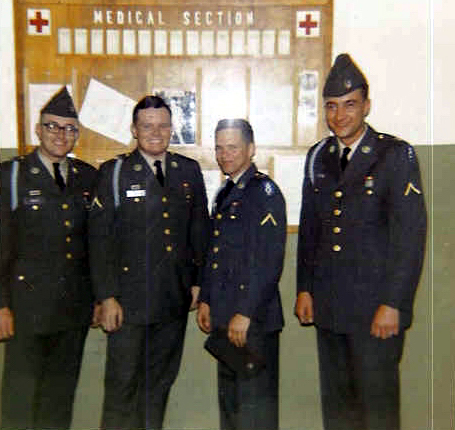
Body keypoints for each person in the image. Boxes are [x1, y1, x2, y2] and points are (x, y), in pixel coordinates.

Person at [295, 53, 427, 430]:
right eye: (332, 106)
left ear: (366, 106)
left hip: (375, 309)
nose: (339, 115)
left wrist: (393, 303)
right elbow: (311, 230)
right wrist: (305, 288)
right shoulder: (318, 156)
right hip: (330, 307)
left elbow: (410, 236)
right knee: (338, 411)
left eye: (350, 105)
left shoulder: (394, 155)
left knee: (377, 410)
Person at [89, 95, 209, 429]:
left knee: (158, 388)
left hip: (172, 300)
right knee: (122, 388)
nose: (156, 133)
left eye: (162, 126)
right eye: (147, 126)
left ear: (172, 129)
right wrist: (107, 297)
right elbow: (99, 240)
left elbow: (199, 229)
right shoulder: (114, 172)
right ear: (134, 129)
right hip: (128, 304)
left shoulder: (188, 171)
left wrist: (198, 282)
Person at [0, 86, 99, 429]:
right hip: (26, 308)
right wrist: (1, 305)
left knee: (59, 399)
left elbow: (95, 244)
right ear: (38, 130)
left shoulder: (88, 177)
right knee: (20, 398)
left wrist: (98, 297)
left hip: (72, 308)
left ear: (77, 134)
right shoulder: (11, 175)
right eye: (52, 126)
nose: (61, 134)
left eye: (70, 128)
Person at [197, 119, 287, 430]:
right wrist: (207, 299)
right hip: (226, 318)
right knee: (232, 410)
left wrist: (245, 313)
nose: (225, 155)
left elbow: (268, 260)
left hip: (252, 321)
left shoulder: (264, 192)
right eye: (219, 148)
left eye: (233, 148)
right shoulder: (227, 192)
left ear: (251, 149)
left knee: (255, 412)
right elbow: (216, 254)